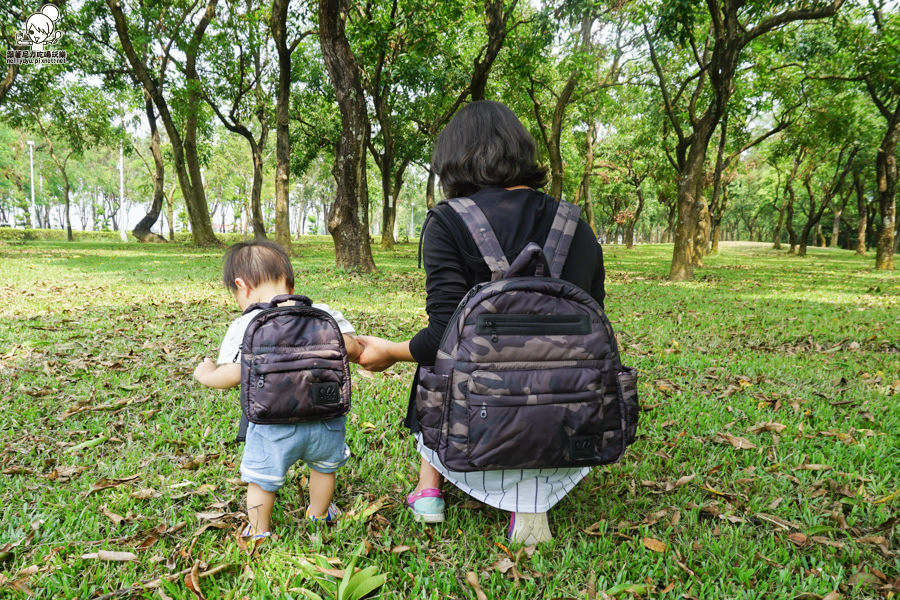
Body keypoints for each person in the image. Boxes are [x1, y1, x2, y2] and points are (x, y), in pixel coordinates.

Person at [356, 101, 606, 544]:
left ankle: (428, 488)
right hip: (571, 427)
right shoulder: (575, 223)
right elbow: (595, 323)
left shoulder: (448, 222)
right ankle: (530, 505)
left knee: (439, 358)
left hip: (477, 424)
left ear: (454, 160)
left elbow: (439, 337)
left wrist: (391, 352)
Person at [193, 240, 361, 540]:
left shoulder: (246, 323)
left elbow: (232, 375)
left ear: (241, 286)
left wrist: (206, 374)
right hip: (325, 418)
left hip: (272, 424)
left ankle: (259, 530)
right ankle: (318, 514)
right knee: (324, 469)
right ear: (290, 284)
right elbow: (351, 348)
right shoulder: (322, 312)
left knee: (261, 480)